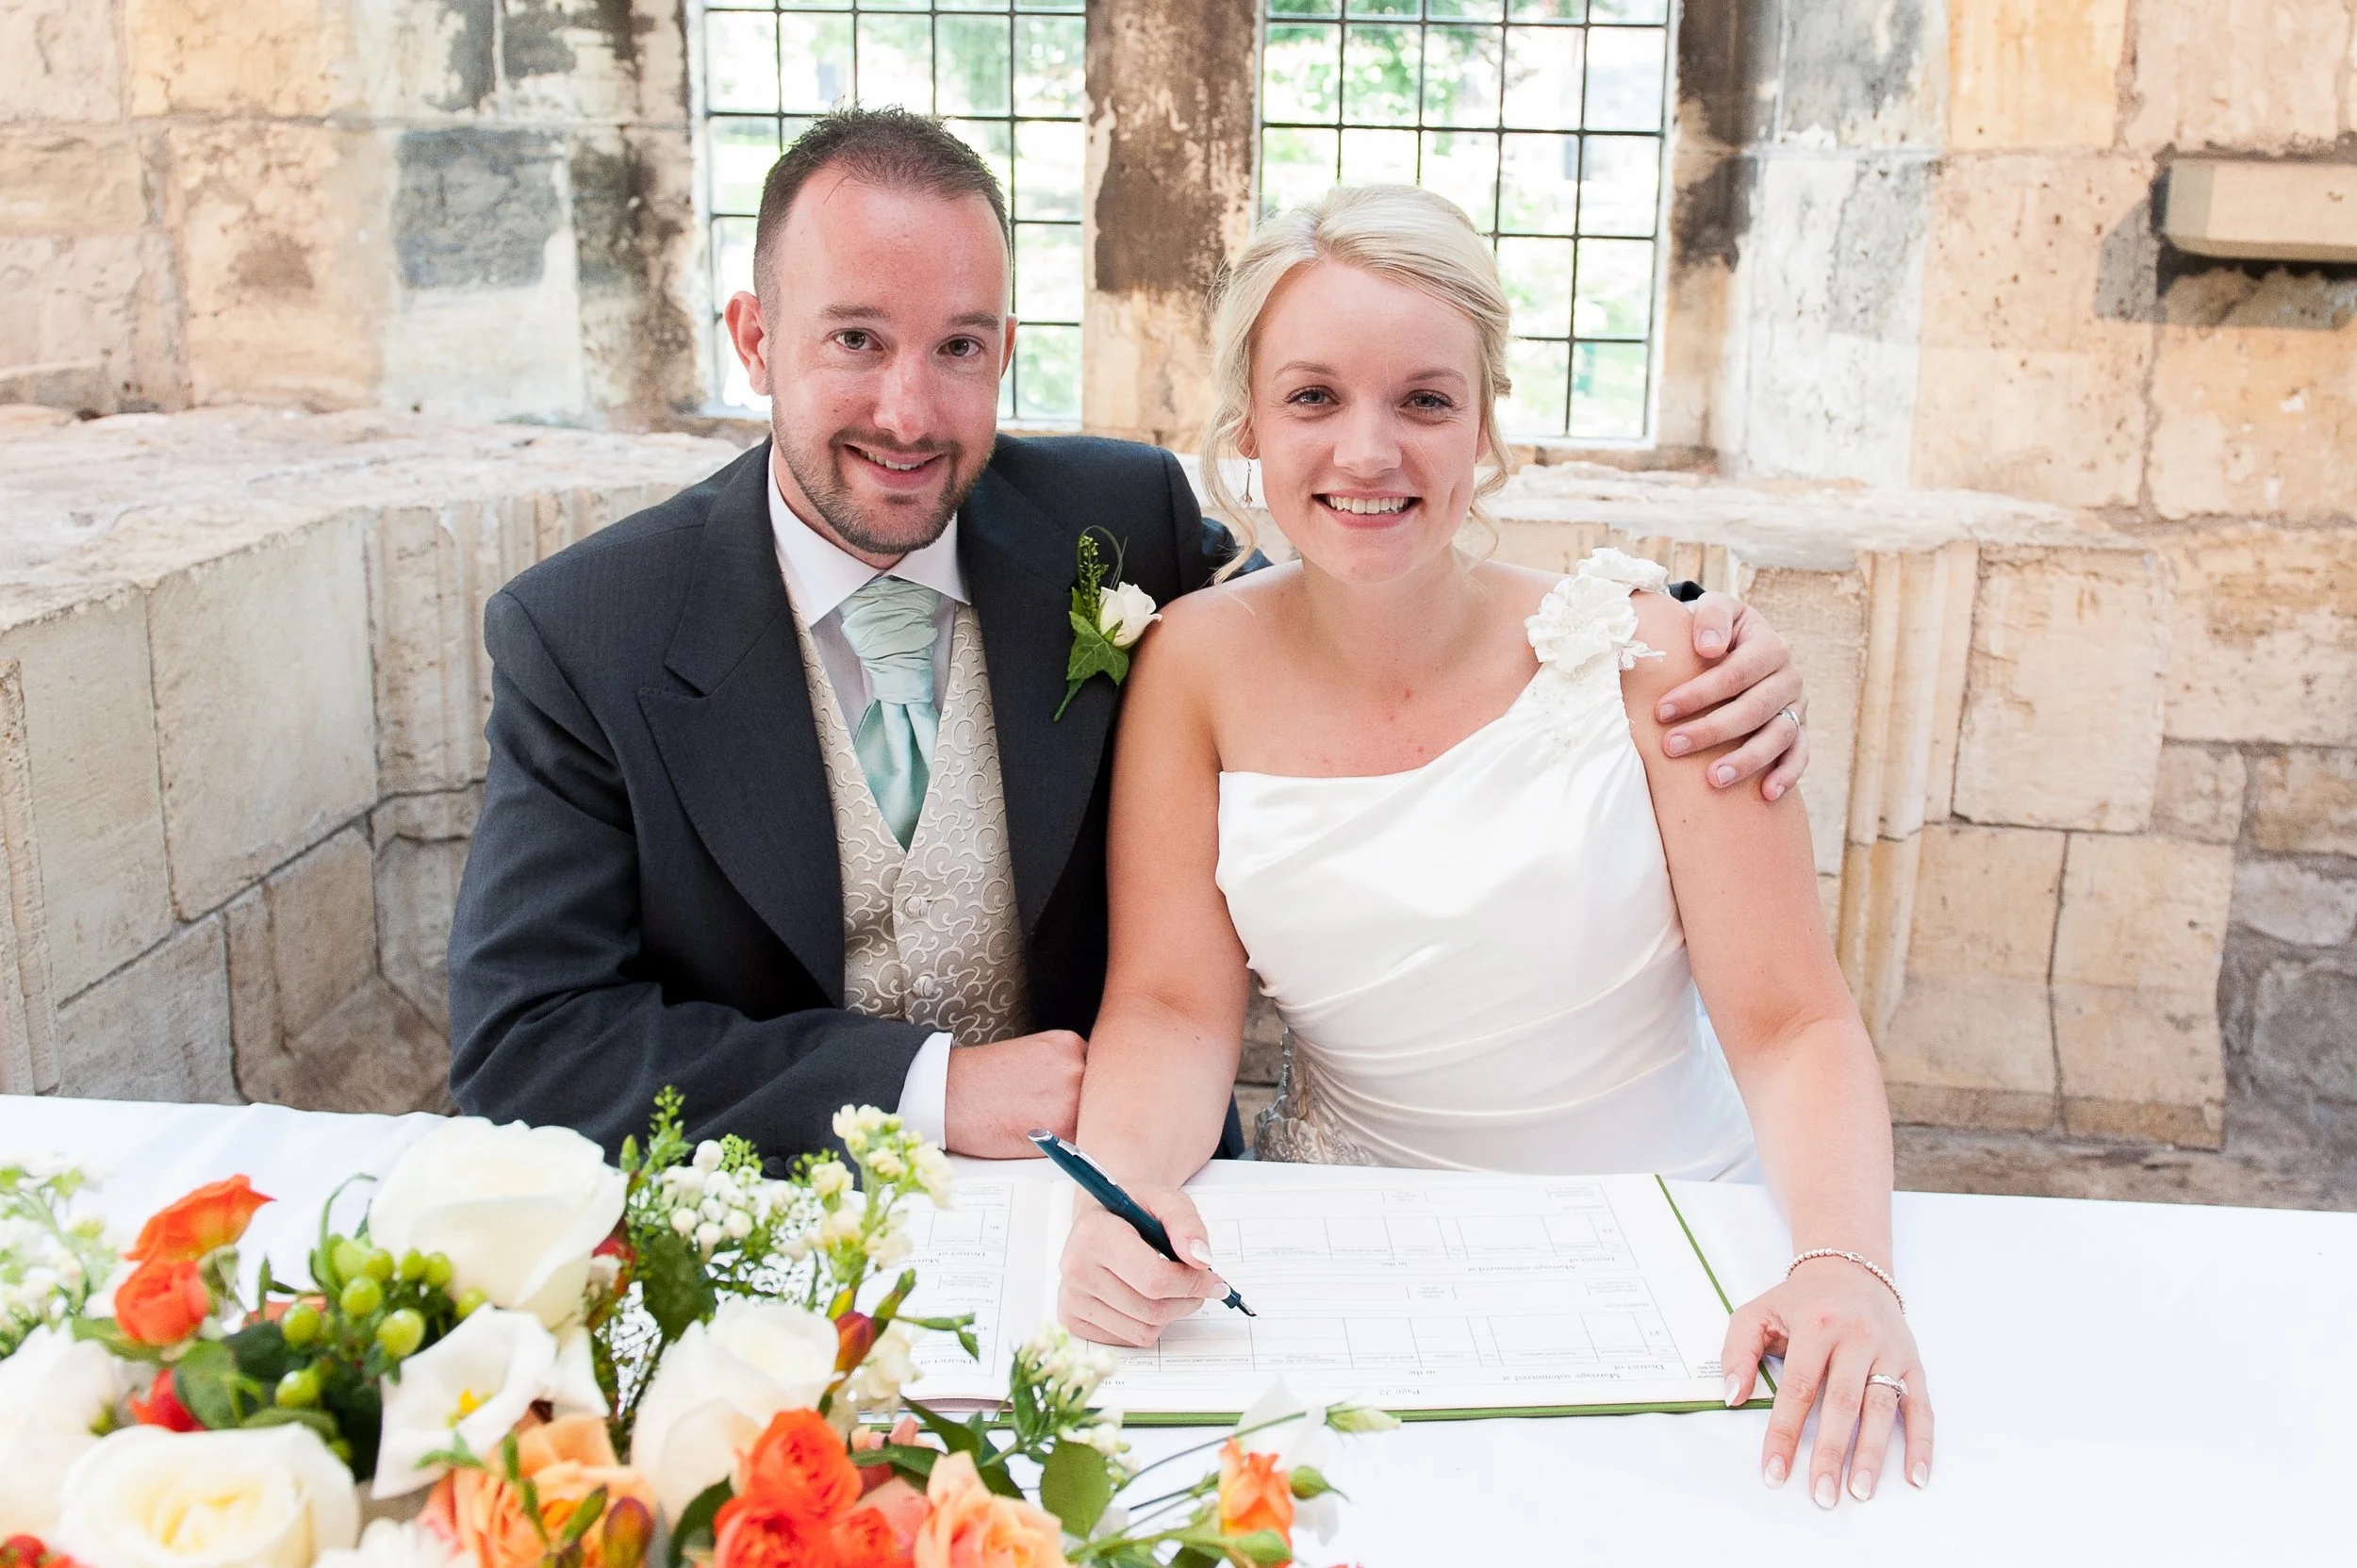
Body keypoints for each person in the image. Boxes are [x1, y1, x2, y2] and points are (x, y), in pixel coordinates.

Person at [444, 109, 1811, 1167]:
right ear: (753, 336)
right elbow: (525, 1045)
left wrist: (1685, 638)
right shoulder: (586, 634)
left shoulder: (1123, 520)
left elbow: (1358, 582)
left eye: (961, 348)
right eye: (856, 339)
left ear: (1004, 349)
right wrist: (924, 1089)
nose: (911, 411)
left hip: (1137, 1183)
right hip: (783, 1205)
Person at [1056, 184, 1929, 1509]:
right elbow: (1175, 1006)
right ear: (1246, 425)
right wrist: (1119, 1187)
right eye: (1313, 398)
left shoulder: (1665, 661)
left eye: (1423, 399)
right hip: (1368, 1262)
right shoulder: (1190, 665)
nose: (1368, 450)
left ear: (1484, 428)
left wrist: (1844, 1265)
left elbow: (1794, 1022)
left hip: (1675, 1239)